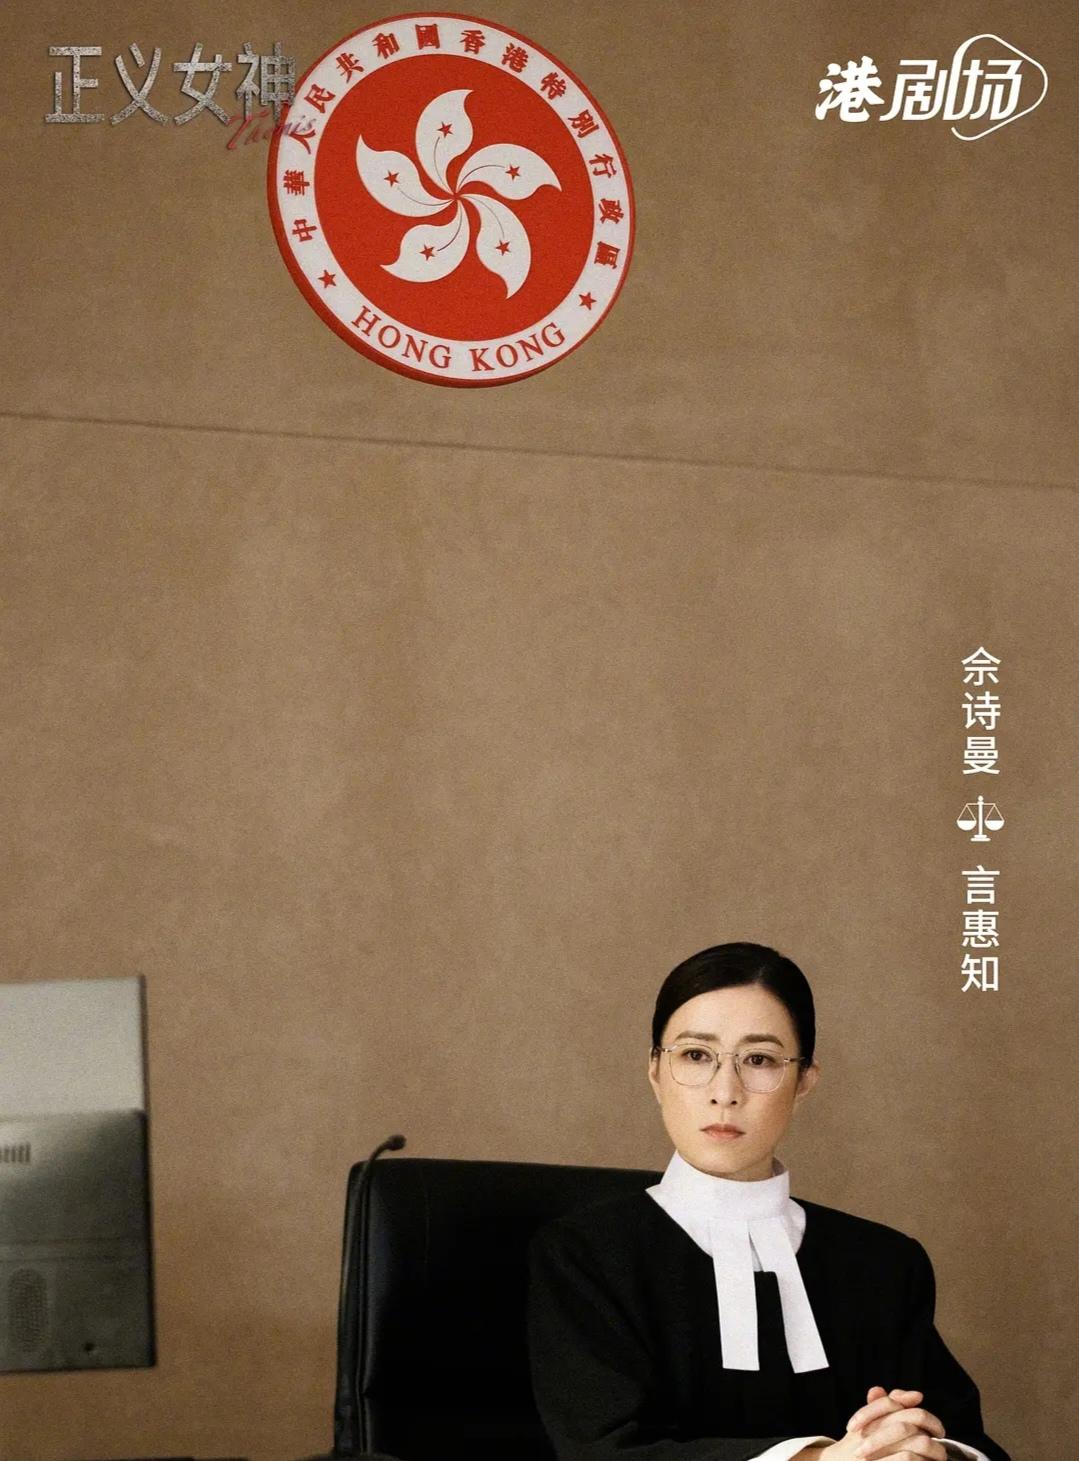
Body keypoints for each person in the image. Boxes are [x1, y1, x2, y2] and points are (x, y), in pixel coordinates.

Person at [526, 942, 1011, 1461]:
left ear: (804, 1081)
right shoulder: (584, 1256)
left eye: (759, 1060)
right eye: (695, 1055)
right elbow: (603, 1452)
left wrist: (916, 1448)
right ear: (655, 1072)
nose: (725, 1091)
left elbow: (967, 1440)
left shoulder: (885, 1264)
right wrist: (820, 1460)